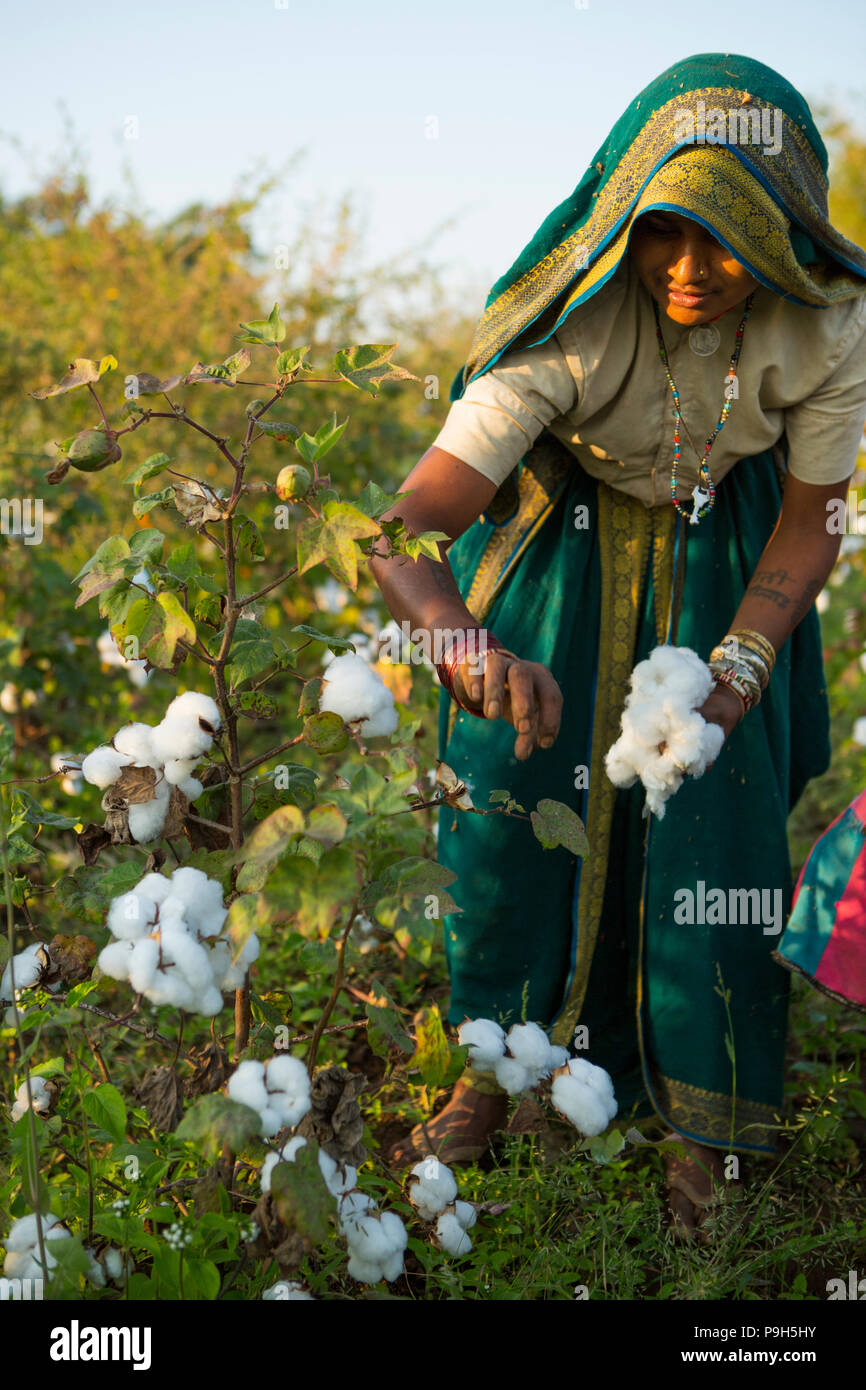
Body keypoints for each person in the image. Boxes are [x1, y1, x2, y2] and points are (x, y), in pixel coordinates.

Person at [368, 52, 866, 1234]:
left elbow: (811, 523)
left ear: (785, 233)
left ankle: (708, 1122)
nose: (689, 270)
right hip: (564, 552)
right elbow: (397, 530)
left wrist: (735, 678)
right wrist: (461, 646)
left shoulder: (829, 324)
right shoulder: (575, 318)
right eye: (664, 234)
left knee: (716, 820)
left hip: (729, 560)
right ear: (626, 227)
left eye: (728, 238)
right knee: (509, 794)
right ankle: (489, 1070)